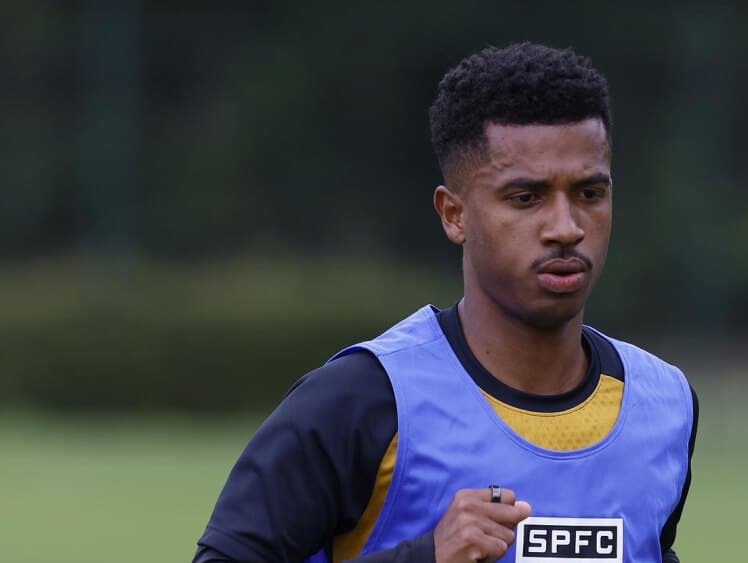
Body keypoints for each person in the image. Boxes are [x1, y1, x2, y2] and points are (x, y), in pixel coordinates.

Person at [194, 42, 697, 563]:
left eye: (590, 193)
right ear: (454, 214)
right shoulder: (363, 402)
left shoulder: (663, 406)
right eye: (526, 198)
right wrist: (423, 557)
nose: (566, 228)